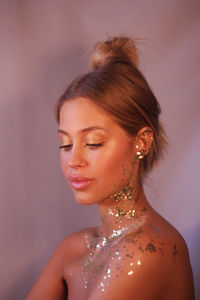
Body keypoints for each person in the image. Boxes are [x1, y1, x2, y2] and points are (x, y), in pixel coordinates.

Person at [26, 37, 194, 300]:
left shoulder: (149, 250)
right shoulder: (72, 249)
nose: (73, 160)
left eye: (93, 142)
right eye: (66, 144)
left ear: (142, 142)